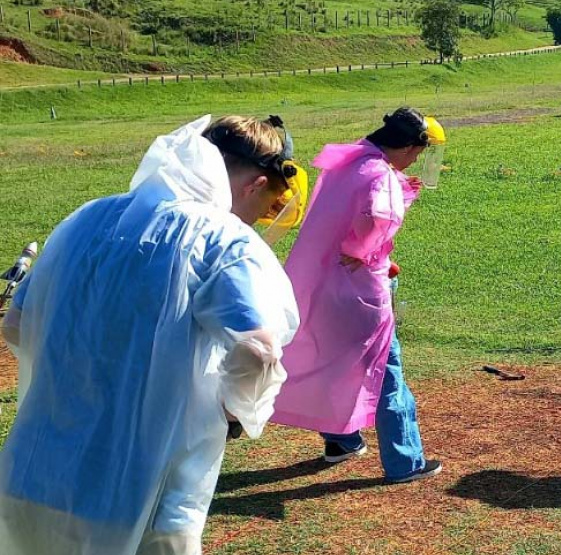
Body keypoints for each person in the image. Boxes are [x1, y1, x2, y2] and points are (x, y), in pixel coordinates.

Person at [0, 114, 304, 555]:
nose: (257, 218)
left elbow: (16, 322)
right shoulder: (224, 240)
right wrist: (239, 412)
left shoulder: (87, 217)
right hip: (147, 493)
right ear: (255, 184)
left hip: (38, 474)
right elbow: (256, 348)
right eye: (266, 205)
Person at [272, 107, 446, 483]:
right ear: (406, 146)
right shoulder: (380, 174)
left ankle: (341, 439)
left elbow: (349, 206)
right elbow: (375, 217)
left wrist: (402, 193)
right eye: (417, 150)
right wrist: (360, 249)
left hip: (325, 289)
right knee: (386, 372)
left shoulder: (350, 162)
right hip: (360, 292)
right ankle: (405, 461)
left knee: (336, 363)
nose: (416, 158)